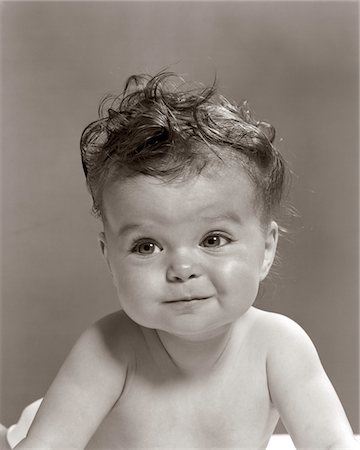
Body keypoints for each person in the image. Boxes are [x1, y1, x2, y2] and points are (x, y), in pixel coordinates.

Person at [11, 72, 359, 449]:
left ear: (266, 249)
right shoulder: (109, 348)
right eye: (147, 246)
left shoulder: (278, 347)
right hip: (56, 426)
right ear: (110, 259)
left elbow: (332, 445)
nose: (182, 269)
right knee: (27, 430)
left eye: (213, 240)